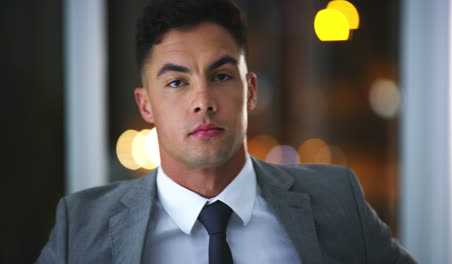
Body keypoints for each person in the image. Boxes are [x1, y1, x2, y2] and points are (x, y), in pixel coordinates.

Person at [36, 0, 416, 263]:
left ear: (249, 91)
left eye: (220, 76)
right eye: (176, 83)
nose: (203, 101)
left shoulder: (336, 200)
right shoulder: (83, 224)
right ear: (145, 105)